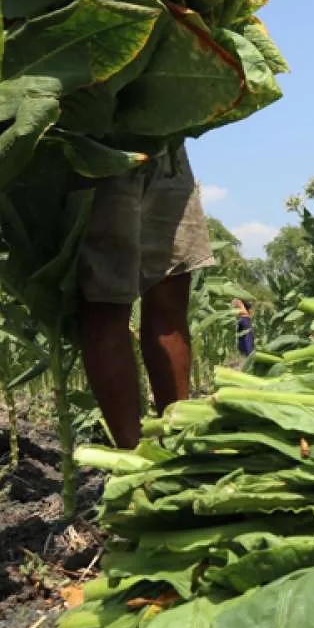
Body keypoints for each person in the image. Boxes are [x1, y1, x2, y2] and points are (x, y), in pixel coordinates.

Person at [77, 146, 215, 449]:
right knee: (107, 298)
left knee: (172, 284)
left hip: (167, 146)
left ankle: (177, 442)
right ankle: (134, 456)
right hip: (103, 136)